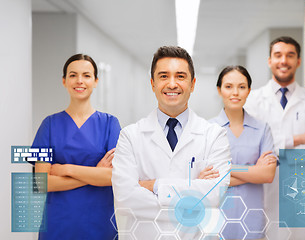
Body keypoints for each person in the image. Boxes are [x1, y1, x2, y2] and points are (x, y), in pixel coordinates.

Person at [112, 46, 231, 239]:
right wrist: (193, 192)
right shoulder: (130, 136)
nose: (172, 84)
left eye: (181, 76)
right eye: (164, 76)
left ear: (192, 84)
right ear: (152, 83)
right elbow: (126, 199)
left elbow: (216, 194)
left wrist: (155, 186)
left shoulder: (215, 135)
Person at [245, 36, 305, 240]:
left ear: (298, 61)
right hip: (263, 190)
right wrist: (300, 138)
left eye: (290, 55)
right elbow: (251, 149)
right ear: (270, 61)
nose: (284, 60)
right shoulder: (253, 100)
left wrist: (272, 154)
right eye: (278, 55)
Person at [32, 54, 121, 239]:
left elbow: (113, 176)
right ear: (64, 81)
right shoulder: (48, 124)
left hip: (99, 222)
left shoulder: (111, 124)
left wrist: (66, 169)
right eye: (73, 75)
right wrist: (94, 173)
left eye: (86, 75)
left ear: (96, 81)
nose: (79, 81)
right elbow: (41, 183)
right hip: (58, 222)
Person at [209, 66, 277, 240]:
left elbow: (268, 175)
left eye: (241, 87)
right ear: (219, 90)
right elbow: (207, 179)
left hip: (252, 220)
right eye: (229, 86)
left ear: (248, 91)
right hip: (216, 221)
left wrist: (225, 168)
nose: (235, 93)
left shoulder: (262, 129)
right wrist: (254, 171)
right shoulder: (207, 130)